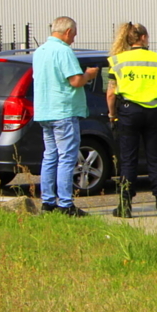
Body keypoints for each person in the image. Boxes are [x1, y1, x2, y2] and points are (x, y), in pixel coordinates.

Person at [106, 22, 157, 218]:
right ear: (143, 38)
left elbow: (110, 94)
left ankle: (125, 206)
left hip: (129, 112)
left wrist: (112, 115)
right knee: (156, 159)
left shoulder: (117, 60)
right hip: (154, 113)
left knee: (128, 160)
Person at [33, 16, 100, 216]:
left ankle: (47, 201)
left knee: (50, 156)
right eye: (74, 35)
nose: (73, 39)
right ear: (68, 32)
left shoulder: (40, 51)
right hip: (63, 110)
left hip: (45, 110)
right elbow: (75, 81)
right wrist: (89, 75)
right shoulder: (64, 51)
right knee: (67, 157)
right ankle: (65, 203)